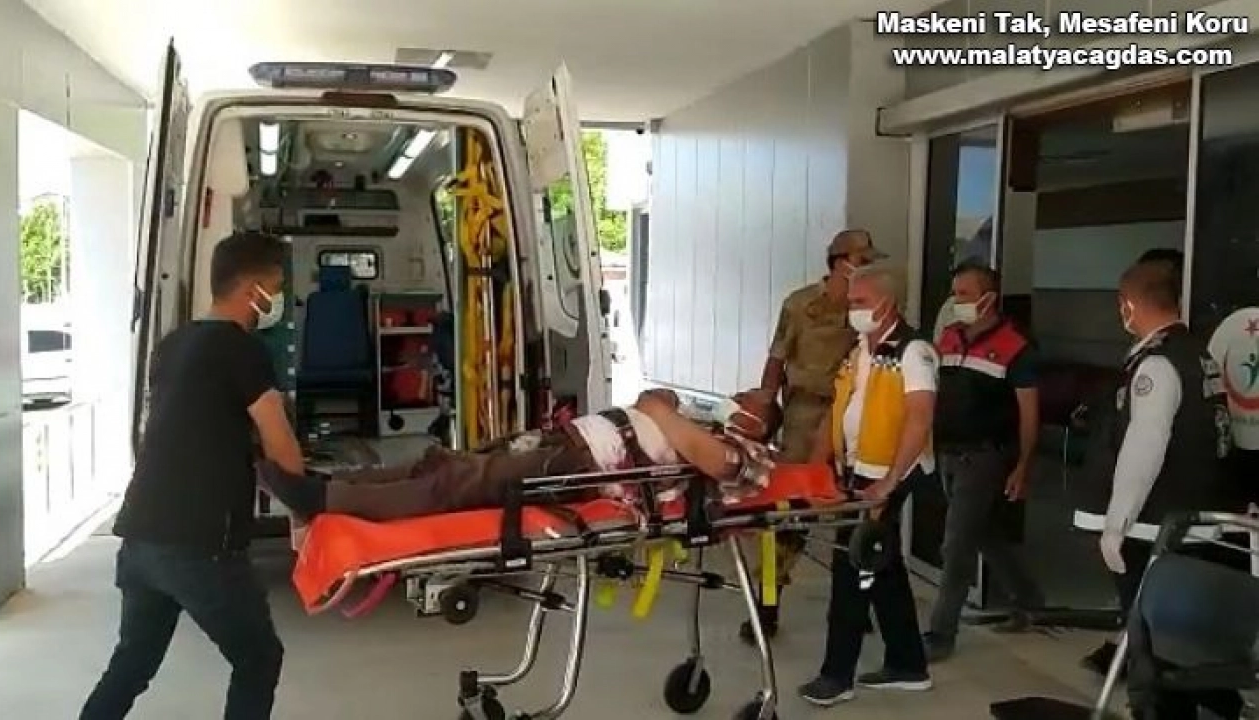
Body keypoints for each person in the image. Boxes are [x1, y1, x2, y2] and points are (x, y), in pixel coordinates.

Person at [80, 232, 304, 720]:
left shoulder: (172, 344)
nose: (278, 298)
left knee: (132, 663)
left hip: (140, 536)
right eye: (275, 286)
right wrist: (307, 506)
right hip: (200, 548)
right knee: (258, 658)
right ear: (252, 289)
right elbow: (279, 440)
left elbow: (193, 431)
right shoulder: (242, 349)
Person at [1072, 258, 1242, 719]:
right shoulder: (1197, 355)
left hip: (1153, 529)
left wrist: (1116, 524)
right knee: (1187, 639)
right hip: (1190, 522)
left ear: (1128, 304)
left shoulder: (1159, 364)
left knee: (1152, 644)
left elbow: (1144, 448)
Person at [260, 389, 782, 524]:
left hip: (581, 465)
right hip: (568, 443)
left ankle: (324, 501)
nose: (739, 393)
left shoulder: (742, 448)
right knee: (443, 464)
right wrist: (663, 408)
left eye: (751, 398)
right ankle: (328, 485)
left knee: (457, 484)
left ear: (758, 423)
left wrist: (659, 410)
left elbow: (719, 465)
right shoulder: (697, 422)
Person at [798, 263, 936, 707]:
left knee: (852, 566)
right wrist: (816, 468)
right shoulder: (858, 350)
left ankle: (836, 675)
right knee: (883, 565)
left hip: (889, 473)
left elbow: (919, 418)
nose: (851, 310)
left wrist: (890, 481)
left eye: (860, 302)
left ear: (886, 303)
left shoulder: (913, 352)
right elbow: (836, 411)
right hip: (856, 471)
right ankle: (907, 664)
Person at [746, 229, 883, 643]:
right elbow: (776, 359)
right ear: (840, 261)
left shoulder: (871, 304)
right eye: (863, 259)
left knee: (857, 512)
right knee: (789, 513)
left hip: (854, 416)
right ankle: (767, 604)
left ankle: (854, 605)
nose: (869, 267)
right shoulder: (800, 304)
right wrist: (764, 408)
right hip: (805, 417)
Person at [925, 261, 1045, 662]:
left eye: (964, 294)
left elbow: (1029, 412)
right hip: (948, 451)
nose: (955, 301)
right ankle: (1029, 600)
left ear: (989, 298)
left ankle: (941, 633)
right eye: (954, 292)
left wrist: (1023, 465)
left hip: (985, 455)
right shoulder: (949, 337)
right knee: (984, 532)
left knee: (956, 543)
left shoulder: (1016, 346)